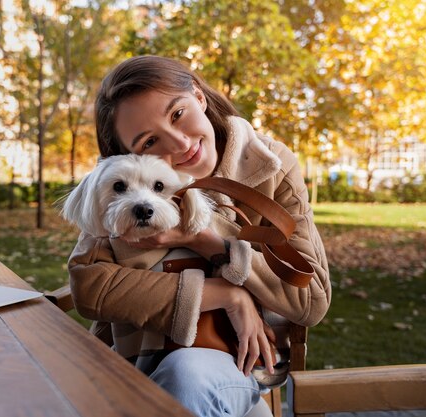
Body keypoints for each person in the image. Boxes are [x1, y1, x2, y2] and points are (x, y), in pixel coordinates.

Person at [67, 55, 331, 417]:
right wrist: (226, 296)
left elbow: (310, 301)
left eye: (177, 114)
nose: (179, 144)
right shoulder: (124, 195)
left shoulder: (272, 163)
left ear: (198, 95)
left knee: (186, 376)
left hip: (237, 365)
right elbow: (89, 285)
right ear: (128, 156)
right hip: (134, 364)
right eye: (148, 142)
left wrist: (203, 240)